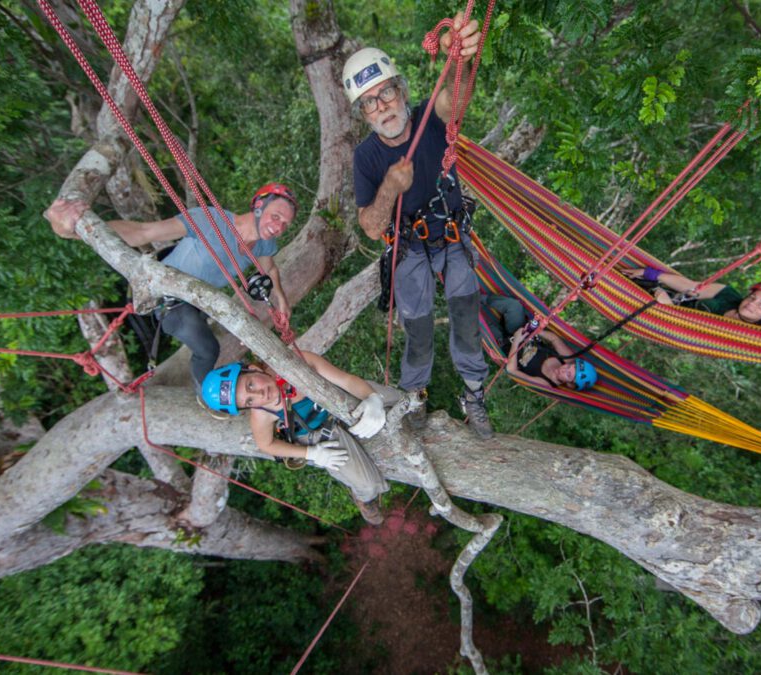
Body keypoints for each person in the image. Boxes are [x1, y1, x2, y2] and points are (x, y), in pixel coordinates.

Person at [344, 13, 493, 438]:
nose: (383, 106)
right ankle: (414, 397)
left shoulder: (430, 118)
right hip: (408, 245)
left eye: (387, 92)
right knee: (418, 326)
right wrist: (390, 186)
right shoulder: (367, 158)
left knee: (466, 313)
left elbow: (456, 98)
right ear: (363, 113)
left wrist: (462, 57)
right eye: (370, 101)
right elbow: (372, 227)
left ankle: (473, 391)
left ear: (401, 91)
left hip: (449, 232)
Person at [45, 184, 298, 386]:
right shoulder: (212, 220)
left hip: (200, 302)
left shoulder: (264, 244)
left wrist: (281, 300)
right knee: (208, 349)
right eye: (275, 216)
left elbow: (269, 268)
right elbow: (144, 232)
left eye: (285, 224)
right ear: (258, 207)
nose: (278, 226)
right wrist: (79, 230)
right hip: (169, 301)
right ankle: (207, 396)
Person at [200, 352, 400, 525]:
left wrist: (372, 399)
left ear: (252, 369)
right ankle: (363, 499)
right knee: (368, 485)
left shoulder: (296, 362)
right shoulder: (262, 413)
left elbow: (346, 381)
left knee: (398, 399)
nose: (260, 394)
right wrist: (311, 453)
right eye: (250, 400)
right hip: (320, 434)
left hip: (341, 400)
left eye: (250, 384)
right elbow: (266, 444)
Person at [484, 294, 598, 391]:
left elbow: (511, 370)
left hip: (503, 345)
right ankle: (476, 296)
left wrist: (516, 341)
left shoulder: (545, 383)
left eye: (568, 375)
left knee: (479, 324)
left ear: (570, 384)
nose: (564, 369)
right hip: (522, 331)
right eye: (569, 367)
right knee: (514, 306)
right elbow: (554, 339)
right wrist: (536, 331)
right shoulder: (567, 358)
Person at [623, 267, 761, 325]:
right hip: (661, 298)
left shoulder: (746, 335)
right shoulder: (728, 294)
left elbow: (686, 333)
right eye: (752, 297)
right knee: (623, 277)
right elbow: (691, 287)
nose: (751, 304)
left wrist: (668, 309)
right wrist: (651, 274)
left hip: (665, 317)